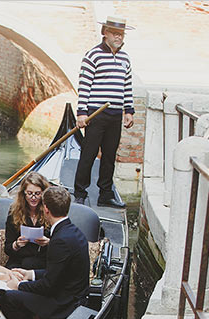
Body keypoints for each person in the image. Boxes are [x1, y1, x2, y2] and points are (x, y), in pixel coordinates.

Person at [0, 186, 90, 319]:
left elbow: (48, 286)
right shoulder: (72, 231)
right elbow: (59, 273)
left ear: (46, 209)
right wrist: (30, 274)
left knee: (7, 298)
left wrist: (19, 286)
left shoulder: (60, 240)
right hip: (70, 294)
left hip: (63, 303)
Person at [73, 16, 134, 209]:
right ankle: (80, 193)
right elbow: (84, 85)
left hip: (115, 114)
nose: (118, 37)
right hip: (95, 114)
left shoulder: (125, 58)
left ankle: (105, 194)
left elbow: (127, 86)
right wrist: (82, 112)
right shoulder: (93, 55)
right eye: (115, 33)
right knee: (89, 154)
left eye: (121, 34)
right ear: (104, 33)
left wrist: (129, 111)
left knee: (109, 155)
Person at [4, 172, 50, 270]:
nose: (33, 198)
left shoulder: (50, 210)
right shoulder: (14, 212)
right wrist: (16, 244)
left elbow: (61, 243)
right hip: (18, 262)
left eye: (37, 194)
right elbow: (7, 248)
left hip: (43, 263)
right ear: (23, 194)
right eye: (29, 193)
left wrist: (48, 243)